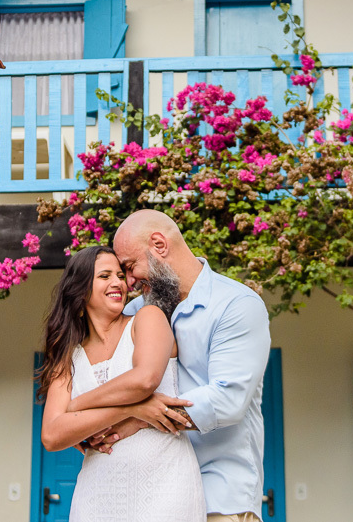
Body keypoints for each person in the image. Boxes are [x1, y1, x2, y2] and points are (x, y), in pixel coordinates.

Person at [68, 210, 272, 522]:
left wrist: (137, 418)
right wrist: (89, 427)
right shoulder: (136, 312)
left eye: (129, 267)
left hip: (218, 496)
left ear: (160, 245)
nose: (129, 281)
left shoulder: (236, 305)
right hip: (151, 498)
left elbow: (228, 401)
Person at [37, 245, 207, 521]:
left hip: (166, 484)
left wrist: (77, 406)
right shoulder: (68, 355)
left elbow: (144, 380)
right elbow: (52, 435)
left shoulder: (147, 319)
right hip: (97, 493)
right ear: (81, 290)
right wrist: (132, 410)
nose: (118, 282)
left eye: (119, 275)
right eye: (104, 276)